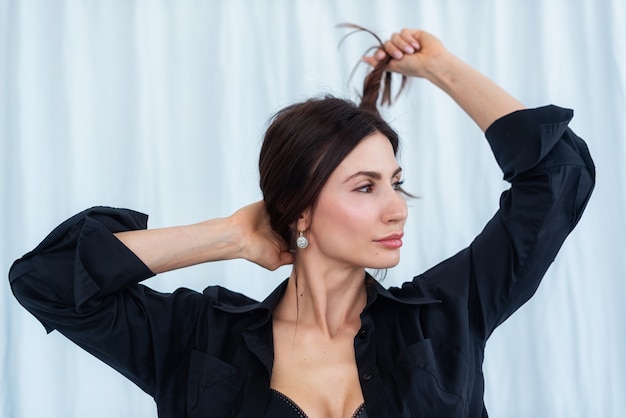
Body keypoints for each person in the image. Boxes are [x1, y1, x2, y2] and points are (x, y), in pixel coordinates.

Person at [9, 28, 594, 417]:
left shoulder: (444, 317)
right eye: (365, 187)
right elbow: (48, 280)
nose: (396, 207)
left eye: (395, 182)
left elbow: (559, 176)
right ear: (300, 209)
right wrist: (230, 235)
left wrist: (438, 67)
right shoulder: (199, 340)